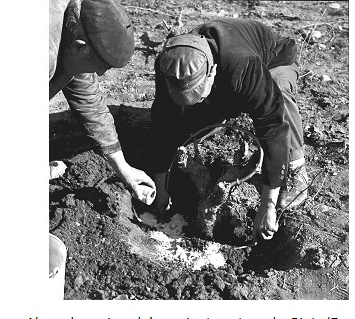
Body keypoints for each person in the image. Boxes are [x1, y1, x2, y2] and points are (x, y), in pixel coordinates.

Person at [150, 18, 310, 240]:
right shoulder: (170, 65)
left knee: (278, 90)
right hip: (226, 78)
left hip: (274, 60)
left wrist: (267, 206)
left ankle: (296, 168)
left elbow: (272, 126)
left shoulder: (244, 66)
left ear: (212, 72)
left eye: (198, 95)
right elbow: (163, 120)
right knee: (184, 127)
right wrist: (161, 184)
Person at [49, 0, 155, 204]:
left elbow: (89, 101)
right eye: (100, 66)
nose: (100, 73)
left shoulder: (77, 33)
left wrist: (124, 170)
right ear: (80, 48)